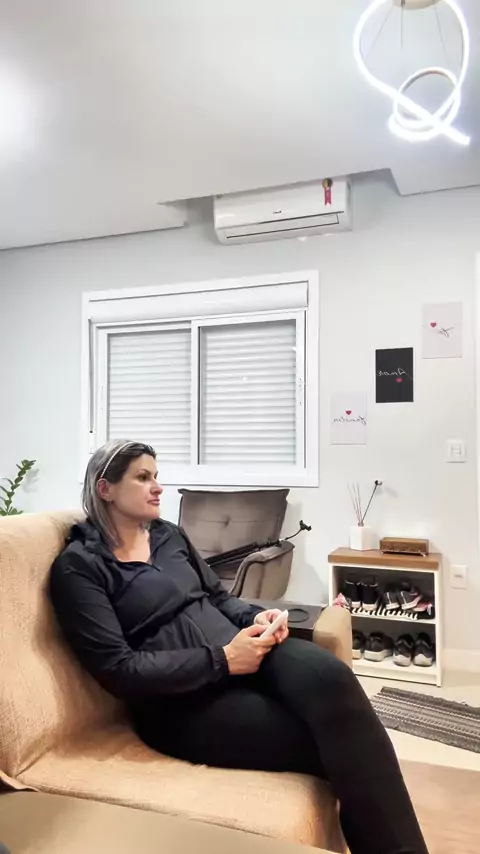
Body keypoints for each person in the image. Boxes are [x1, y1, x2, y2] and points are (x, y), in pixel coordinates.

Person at [50, 439, 429, 854]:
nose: (158, 487)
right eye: (143, 478)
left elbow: (218, 597)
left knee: (332, 678)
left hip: (246, 652)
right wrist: (223, 661)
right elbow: (118, 669)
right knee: (338, 742)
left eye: (156, 476)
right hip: (183, 703)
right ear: (105, 488)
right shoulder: (79, 566)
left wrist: (253, 618)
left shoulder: (168, 535)